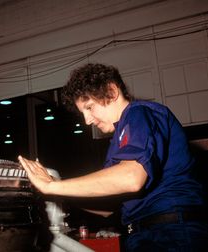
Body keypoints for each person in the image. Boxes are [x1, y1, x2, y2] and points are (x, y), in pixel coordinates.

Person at [18, 63, 208, 251]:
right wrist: (58, 192)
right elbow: (109, 207)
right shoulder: (118, 140)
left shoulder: (139, 113)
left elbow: (131, 178)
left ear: (111, 91)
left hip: (171, 233)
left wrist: (52, 186)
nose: (87, 120)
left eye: (89, 107)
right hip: (143, 234)